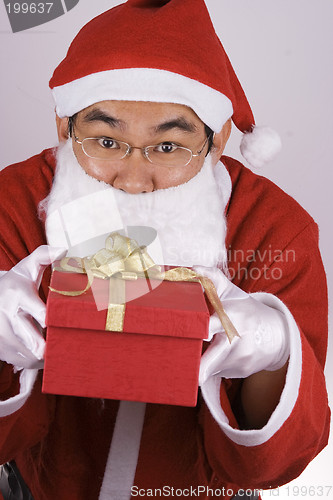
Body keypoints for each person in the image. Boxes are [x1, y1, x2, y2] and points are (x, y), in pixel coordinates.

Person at [0, 0, 330, 499]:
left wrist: (275, 354)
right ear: (63, 129)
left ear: (217, 140)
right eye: (106, 141)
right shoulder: (13, 201)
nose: (134, 181)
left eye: (168, 147)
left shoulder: (276, 228)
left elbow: (275, 465)